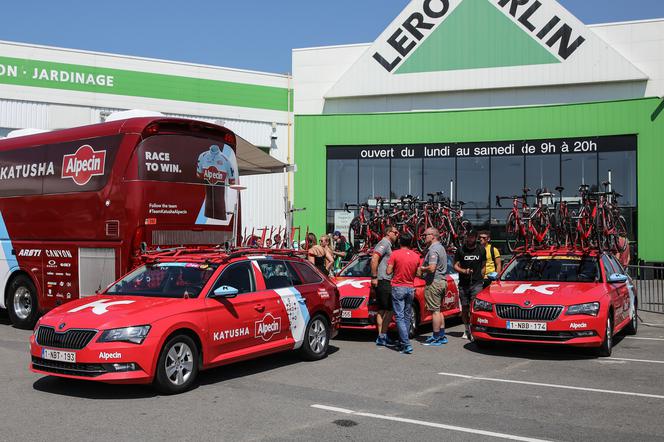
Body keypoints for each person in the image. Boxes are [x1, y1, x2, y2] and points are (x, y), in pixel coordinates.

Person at [386, 233, 421, 354]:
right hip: (410, 288)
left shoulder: (395, 254)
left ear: (400, 242)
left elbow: (388, 270)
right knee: (406, 316)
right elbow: (419, 273)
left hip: (398, 287)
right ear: (411, 243)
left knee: (399, 317)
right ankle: (403, 343)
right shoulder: (416, 256)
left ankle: (406, 343)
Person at [417, 228, 448, 346]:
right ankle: (441, 335)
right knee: (439, 310)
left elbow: (432, 268)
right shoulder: (440, 247)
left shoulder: (434, 250)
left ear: (433, 236)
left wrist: (421, 268)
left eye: (426, 235)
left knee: (435, 311)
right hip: (442, 281)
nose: (423, 237)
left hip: (434, 283)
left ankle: (436, 337)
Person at [454, 230, 486, 340]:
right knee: (465, 308)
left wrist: (482, 276)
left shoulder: (481, 249)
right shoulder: (460, 250)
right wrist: (463, 271)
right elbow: (455, 266)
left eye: (472, 237)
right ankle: (466, 329)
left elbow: (483, 264)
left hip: (477, 283)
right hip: (463, 283)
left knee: (474, 307)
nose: (470, 239)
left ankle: (473, 330)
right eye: (469, 236)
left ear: (476, 237)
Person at [371, 226, 399, 347]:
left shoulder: (389, 245)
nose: (397, 234)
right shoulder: (384, 243)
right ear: (388, 233)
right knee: (388, 309)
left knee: (382, 309)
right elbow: (374, 258)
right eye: (395, 232)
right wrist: (374, 276)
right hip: (383, 280)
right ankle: (382, 336)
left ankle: (382, 336)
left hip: (385, 280)